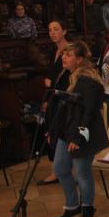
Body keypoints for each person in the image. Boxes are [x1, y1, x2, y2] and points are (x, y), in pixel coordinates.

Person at [49, 41, 109, 217]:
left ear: (80, 60)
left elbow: (89, 114)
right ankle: (72, 205)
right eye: (64, 55)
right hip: (65, 132)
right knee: (60, 169)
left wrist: (79, 138)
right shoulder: (66, 77)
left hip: (83, 133)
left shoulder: (89, 81)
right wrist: (53, 130)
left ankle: (87, 207)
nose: (64, 58)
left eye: (69, 55)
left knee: (82, 173)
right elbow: (62, 108)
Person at [37, 21, 72, 186]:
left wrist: (52, 85)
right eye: (50, 30)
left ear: (64, 31)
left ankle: (64, 170)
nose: (52, 33)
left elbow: (71, 75)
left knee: (62, 133)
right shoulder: (54, 51)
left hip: (65, 97)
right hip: (53, 98)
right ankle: (56, 171)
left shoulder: (70, 50)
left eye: (56, 29)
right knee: (51, 132)